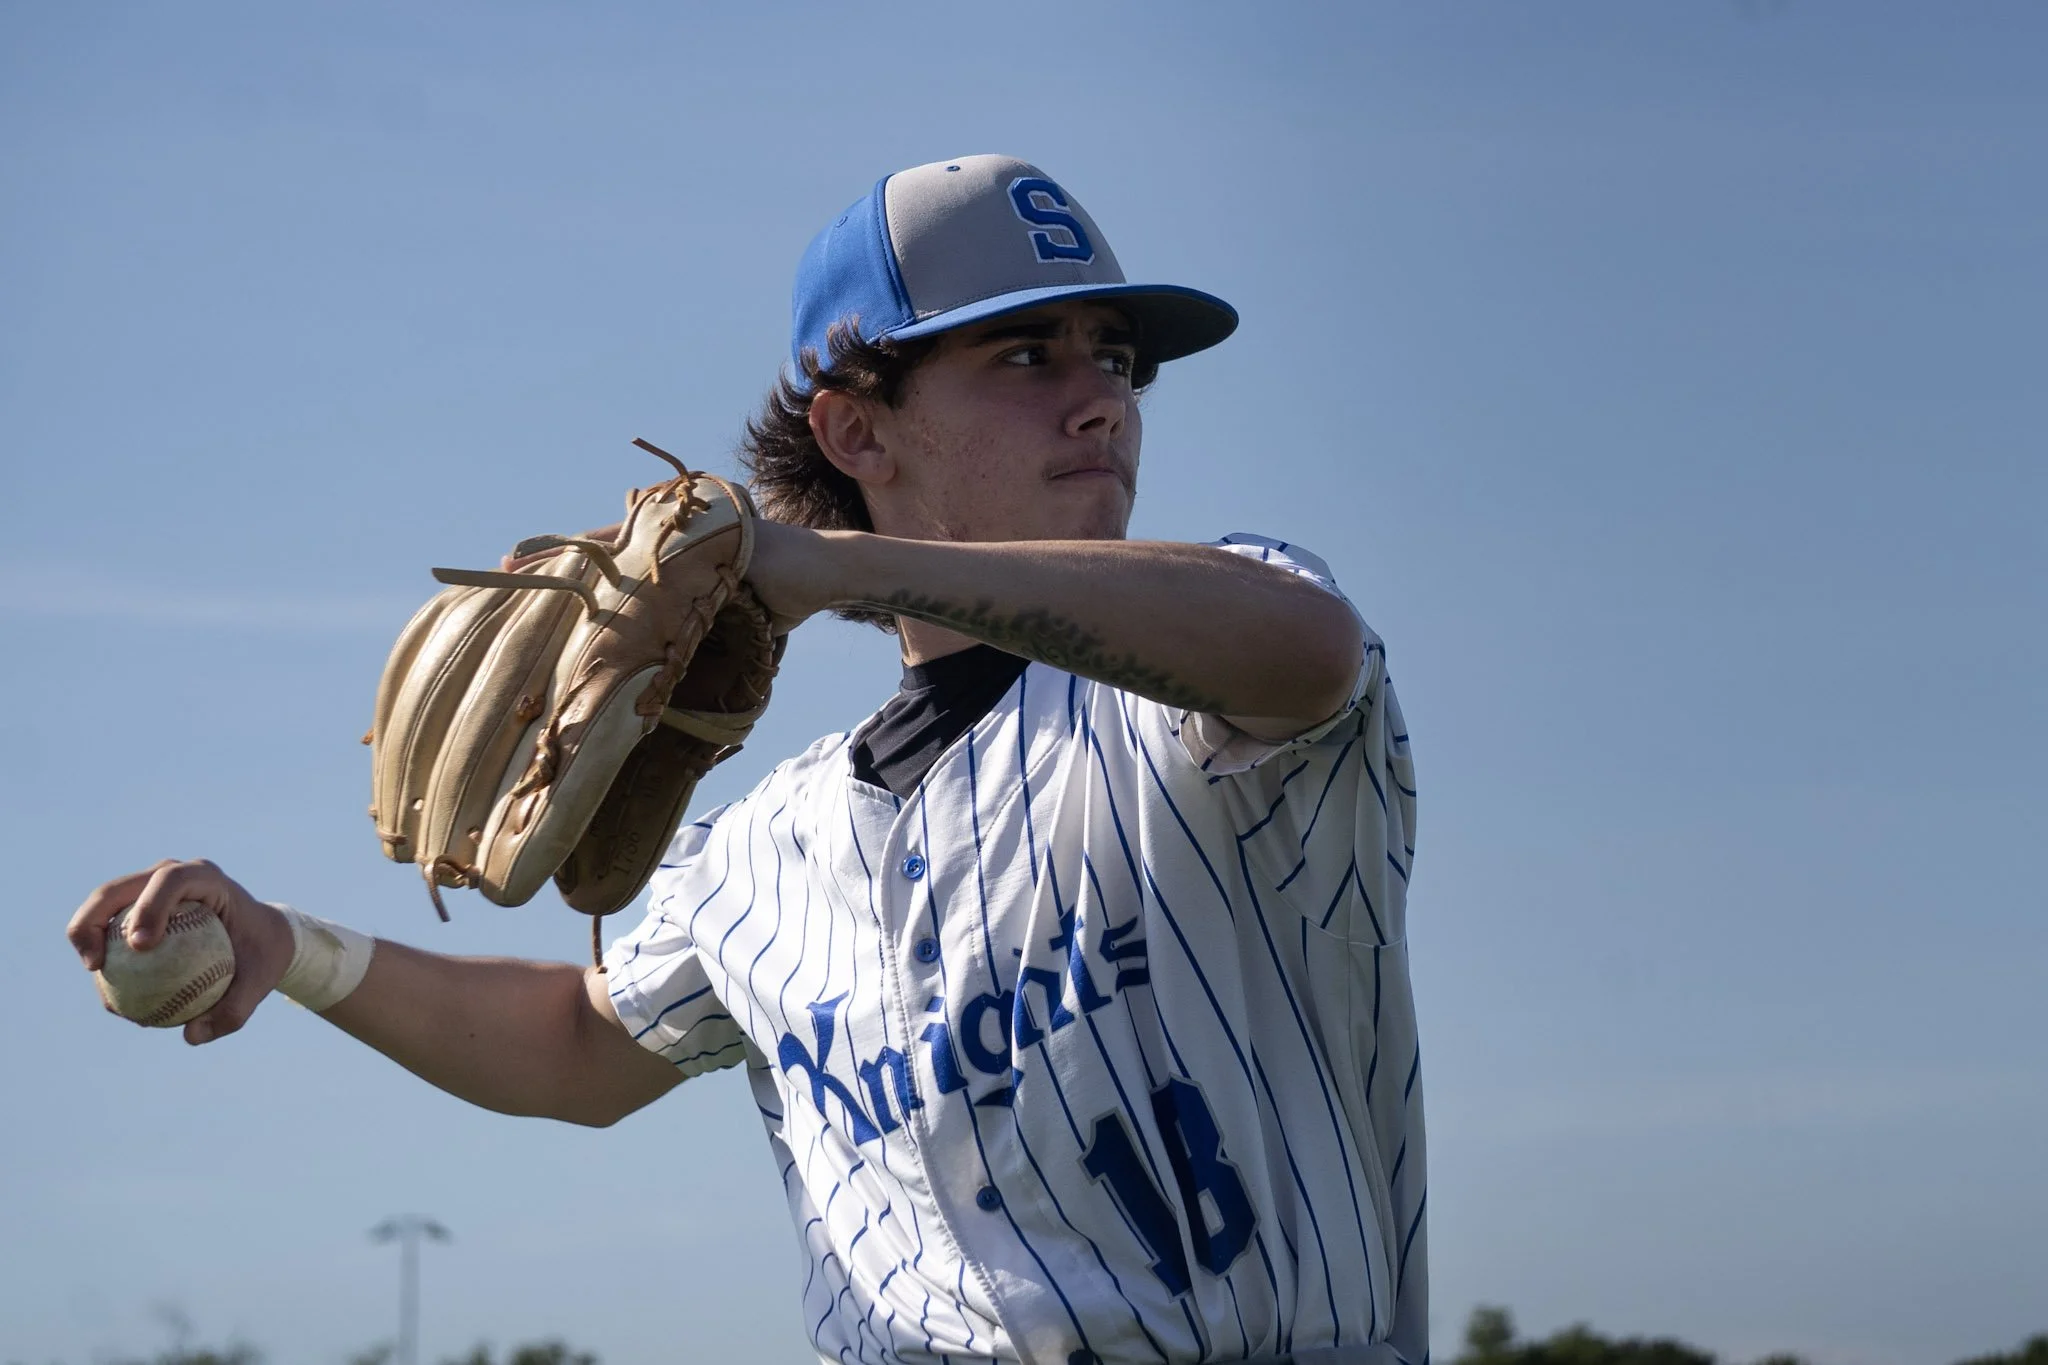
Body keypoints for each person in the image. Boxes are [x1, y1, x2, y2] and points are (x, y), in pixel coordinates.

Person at [68, 155, 1424, 1365]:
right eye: (1026, 357)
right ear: (854, 427)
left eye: (1115, 358)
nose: (1100, 404)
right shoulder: (769, 845)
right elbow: (584, 1050)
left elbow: (1307, 650)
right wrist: (290, 947)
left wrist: (829, 567)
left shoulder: (1202, 691)